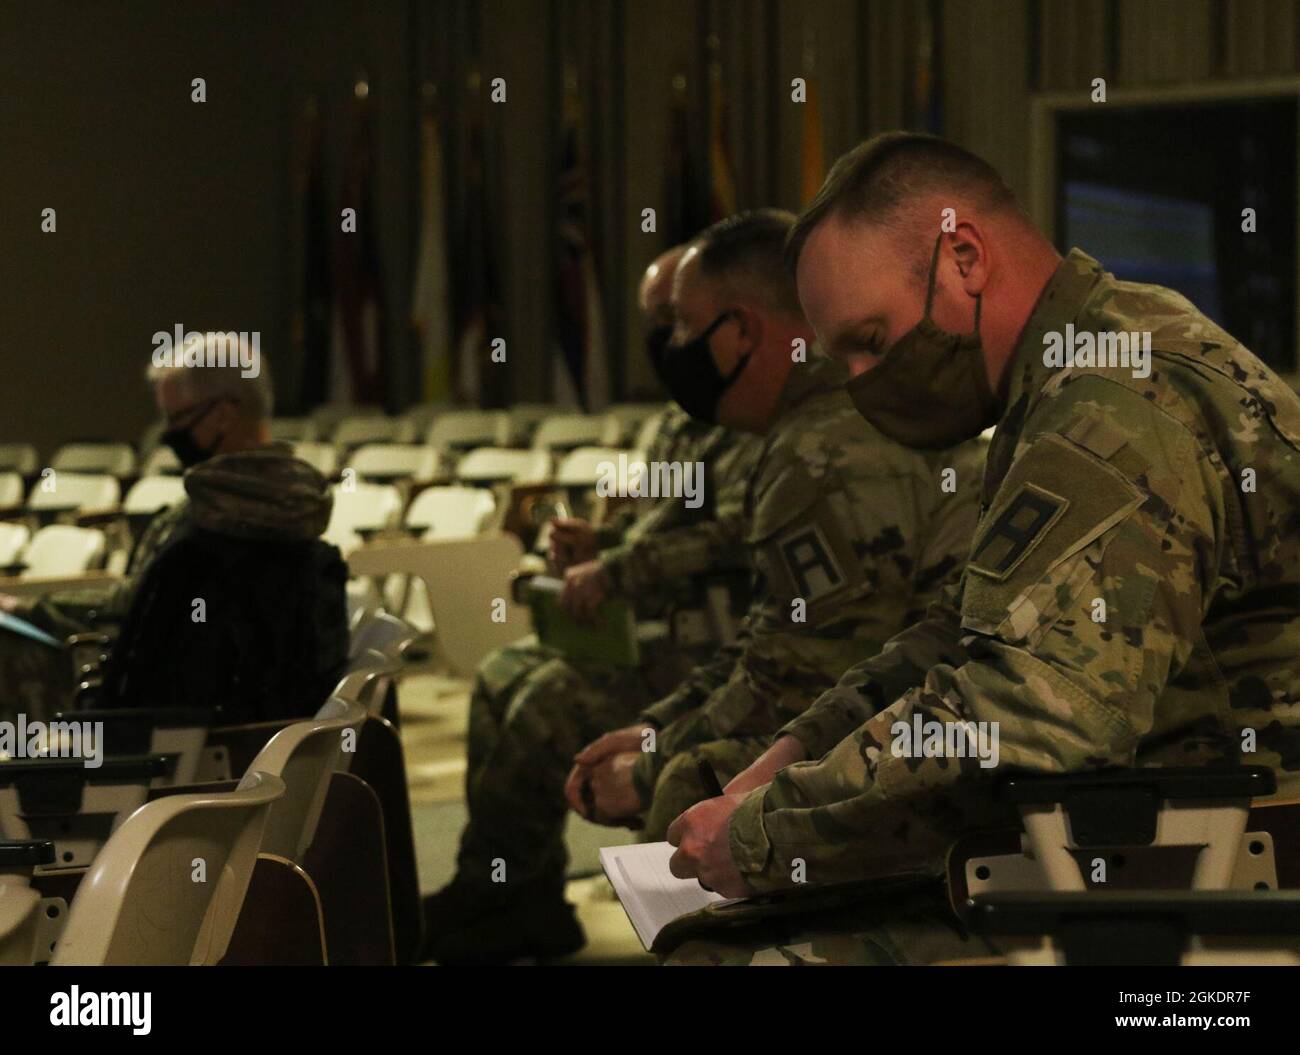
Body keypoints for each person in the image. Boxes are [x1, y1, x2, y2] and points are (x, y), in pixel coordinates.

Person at [665, 131, 1300, 965]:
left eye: (872, 339)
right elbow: (967, 625)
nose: (859, 382)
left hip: (1213, 860)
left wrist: (763, 831)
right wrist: (797, 750)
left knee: (733, 952)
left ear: (964, 255)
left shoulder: (1112, 406)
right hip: (1144, 827)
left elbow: (1028, 715)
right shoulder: (1081, 361)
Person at [566, 209, 984, 869]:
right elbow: (776, 629)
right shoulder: (835, 414)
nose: (669, 346)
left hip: (948, 750)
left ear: (739, 333)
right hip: (913, 710)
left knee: (692, 782)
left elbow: (804, 674)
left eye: (680, 323)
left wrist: (649, 765)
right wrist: (657, 725)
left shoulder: (823, 452)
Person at [421, 247, 762, 964]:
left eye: (675, 320)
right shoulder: (683, 420)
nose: (666, 341)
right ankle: (517, 886)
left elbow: (735, 535)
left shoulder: (753, 417)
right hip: (649, 632)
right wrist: (602, 543)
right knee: (500, 676)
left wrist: (619, 563)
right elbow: (665, 527)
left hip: (709, 648)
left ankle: (507, 894)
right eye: (655, 325)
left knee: (543, 704)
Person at [0, 338, 346, 723]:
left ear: (222, 416)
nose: (167, 434)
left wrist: (31, 609)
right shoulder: (297, 505)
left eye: (177, 419)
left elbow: (128, 610)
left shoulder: (201, 530)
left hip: (167, 737)